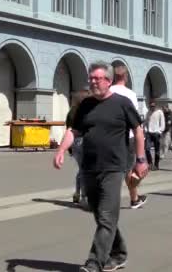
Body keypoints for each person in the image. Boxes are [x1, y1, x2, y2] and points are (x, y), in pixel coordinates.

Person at [53, 61, 148, 272]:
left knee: (106, 217)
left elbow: (139, 131)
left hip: (114, 168)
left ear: (109, 80)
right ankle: (118, 253)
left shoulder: (122, 103)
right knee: (101, 214)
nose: (93, 82)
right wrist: (60, 150)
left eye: (97, 78)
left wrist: (141, 160)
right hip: (89, 167)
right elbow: (73, 131)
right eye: (91, 78)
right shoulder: (85, 105)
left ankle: (94, 263)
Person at [110, 65, 148, 209]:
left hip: (112, 136)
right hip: (129, 136)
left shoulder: (108, 91)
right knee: (129, 170)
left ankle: (133, 198)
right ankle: (133, 199)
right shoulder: (131, 94)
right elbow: (134, 119)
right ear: (126, 77)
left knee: (113, 168)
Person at [68, 90, 91, 206]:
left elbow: (68, 130)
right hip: (83, 141)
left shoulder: (71, 112)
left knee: (81, 169)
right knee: (85, 170)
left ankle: (77, 193)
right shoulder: (84, 112)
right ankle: (84, 197)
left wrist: (68, 147)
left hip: (74, 142)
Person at [144, 101, 165, 170]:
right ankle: (150, 163)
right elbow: (146, 122)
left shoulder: (159, 112)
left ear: (156, 106)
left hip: (156, 133)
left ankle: (156, 165)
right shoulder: (148, 112)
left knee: (157, 150)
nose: (152, 107)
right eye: (151, 106)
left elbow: (162, 123)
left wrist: (160, 131)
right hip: (149, 133)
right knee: (147, 149)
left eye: (153, 106)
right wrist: (146, 130)